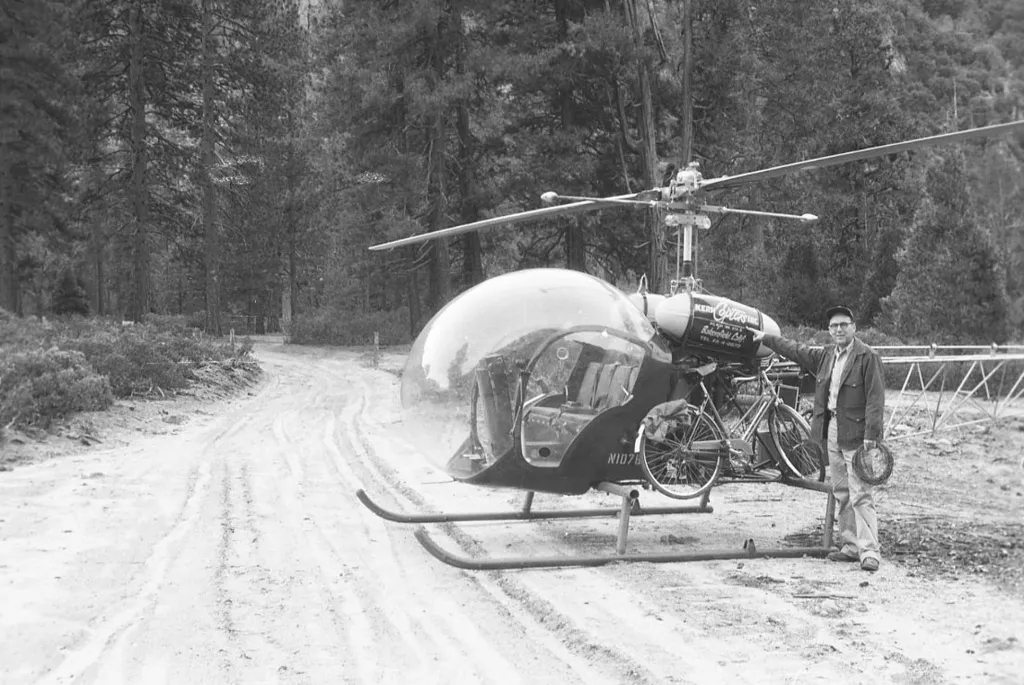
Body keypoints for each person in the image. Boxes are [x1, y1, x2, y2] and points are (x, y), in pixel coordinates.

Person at [750, 305, 885, 572]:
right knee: (842, 491)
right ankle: (850, 546)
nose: (839, 330)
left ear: (854, 327)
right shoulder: (825, 356)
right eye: (834, 326)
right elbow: (796, 349)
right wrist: (767, 339)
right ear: (829, 330)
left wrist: (872, 435)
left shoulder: (867, 357)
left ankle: (870, 552)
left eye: (844, 325)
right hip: (832, 428)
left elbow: (875, 398)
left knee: (861, 493)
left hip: (857, 434)